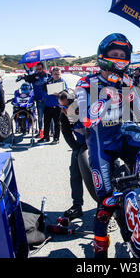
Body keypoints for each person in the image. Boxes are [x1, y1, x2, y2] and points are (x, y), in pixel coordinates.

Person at [75, 33, 140, 258]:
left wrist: (135, 99)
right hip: (100, 145)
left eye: (121, 55)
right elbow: (86, 119)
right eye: (113, 54)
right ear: (103, 56)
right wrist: (108, 97)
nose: (118, 58)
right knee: (105, 204)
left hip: (123, 137)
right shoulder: (86, 82)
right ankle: (100, 252)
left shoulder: (127, 81)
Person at [58, 90, 86, 219]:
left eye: (65, 107)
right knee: (74, 173)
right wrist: (76, 148)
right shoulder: (64, 115)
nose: (63, 110)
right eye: (60, 107)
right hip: (80, 145)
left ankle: (109, 208)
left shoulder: (87, 110)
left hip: (97, 145)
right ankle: (77, 206)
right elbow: (66, 134)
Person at [18, 62, 49, 139]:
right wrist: (22, 77)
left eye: (40, 69)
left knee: (48, 118)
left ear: (43, 68)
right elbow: (27, 78)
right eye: (37, 69)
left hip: (48, 100)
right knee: (40, 118)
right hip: (39, 100)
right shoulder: (33, 76)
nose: (38, 70)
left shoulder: (48, 76)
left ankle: (51, 132)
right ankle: (41, 133)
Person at [40, 67, 67, 144]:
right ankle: (46, 137)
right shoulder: (48, 81)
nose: (57, 76)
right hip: (48, 105)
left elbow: (66, 94)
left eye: (58, 74)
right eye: (55, 74)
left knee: (57, 123)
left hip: (57, 106)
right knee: (46, 122)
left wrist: (57, 94)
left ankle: (56, 138)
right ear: (52, 74)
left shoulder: (62, 82)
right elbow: (44, 90)